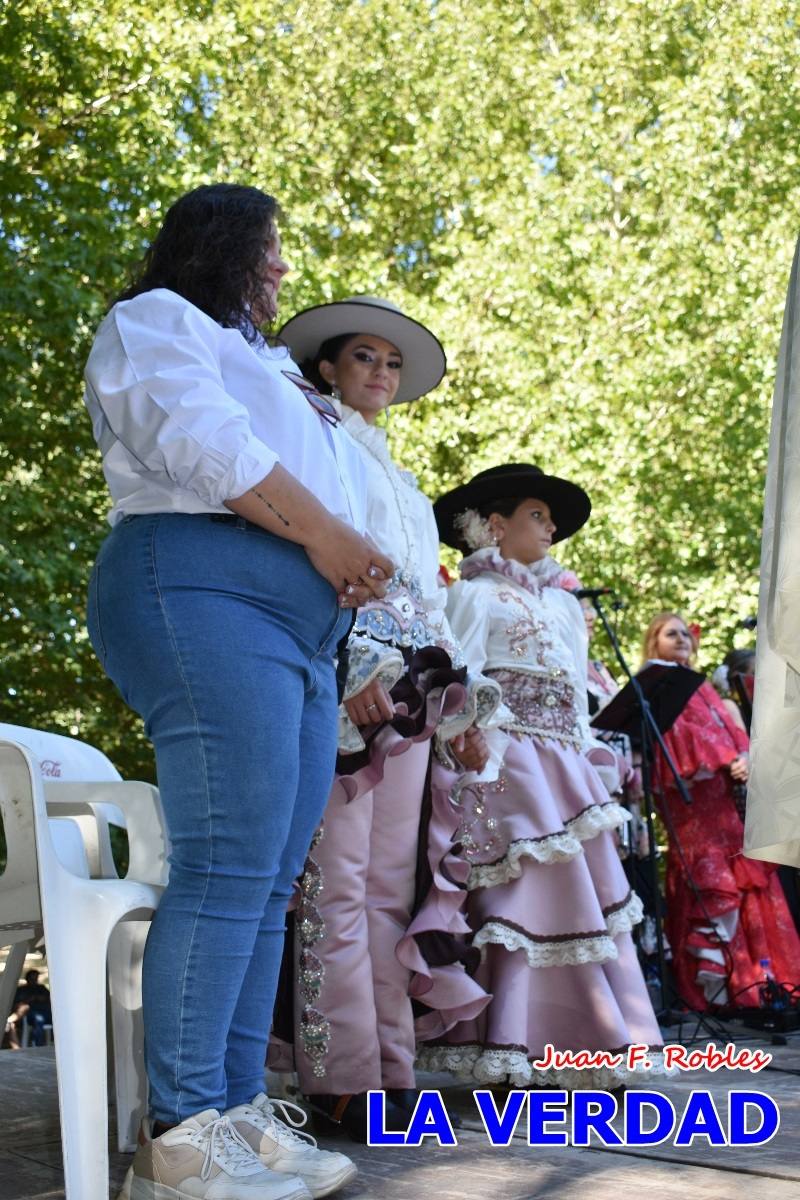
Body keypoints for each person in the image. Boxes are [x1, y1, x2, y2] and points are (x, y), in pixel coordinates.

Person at [84, 184, 395, 1200]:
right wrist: (324, 535)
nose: (282, 271)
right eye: (269, 249)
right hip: (202, 585)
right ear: (218, 244)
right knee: (228, 867)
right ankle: (178, 1142)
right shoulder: (156, 322)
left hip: (300, 632)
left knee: (266, 882)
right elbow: (199, 443)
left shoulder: (268, 365)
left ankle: (228, 1107)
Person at [273, 296, 499, 1140]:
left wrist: (462, 706)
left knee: (386, 891)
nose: (381, 373)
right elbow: (306, 556)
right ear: (328, 369)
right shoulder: (311, 439)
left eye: (391, 363)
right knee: (332, 884)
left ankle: (389, 1072)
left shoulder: (401, 478)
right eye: (364, 357)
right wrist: (349, 667)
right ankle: (335, 1074)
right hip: (345, 678)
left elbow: (428, 606)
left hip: (414, 689)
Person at [415, 463, 663, 1089]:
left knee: (587, 895)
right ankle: (508, 1043)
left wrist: (589, 761)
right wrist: (465, 749)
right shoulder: (468, 595)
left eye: (552, 519)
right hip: (506, 761)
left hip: (564, 765)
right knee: (516, 897)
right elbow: (460, 681)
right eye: (536, 514)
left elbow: (577, 697)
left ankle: (590, 1037)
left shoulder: (564, 605)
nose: (550, 526)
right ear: (494, 525)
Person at [641, 612, 800, 1010]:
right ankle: (713, 986)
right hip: (691, 807)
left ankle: (752, 984)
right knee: (710, 881)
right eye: (670, 634)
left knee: (745, 881)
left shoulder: (710, 692)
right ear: (654, 642)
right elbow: (668, 752)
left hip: (726, 803)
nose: (681, 640)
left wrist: (745, 758)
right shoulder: (653, 688)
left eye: (685, 634)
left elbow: (739, 741)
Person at [12, 969, 52, 1046]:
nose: (34, 981)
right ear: (27, 979)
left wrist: (40, 998)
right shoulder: (22, 990)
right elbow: (17, 1005)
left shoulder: (41, 988)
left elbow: (50, 999)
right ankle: (38, 1045)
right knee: (39, 1019)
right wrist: (30, 999)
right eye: (32, 979)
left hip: (46, 1011)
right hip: (30, 1013)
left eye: (35, 978)